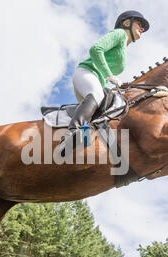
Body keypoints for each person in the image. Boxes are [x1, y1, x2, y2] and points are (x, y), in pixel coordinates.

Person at [58, 10, 150, 156]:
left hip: (97, 82)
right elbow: (96, 49)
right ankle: (71, 134)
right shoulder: (120, 33)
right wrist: (109, 76)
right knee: (97, 94)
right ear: (127, 23)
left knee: (110, 110)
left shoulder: (124, 49)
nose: (142, 28)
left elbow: (103, 79)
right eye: (139, 23)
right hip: (86, 73)